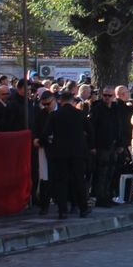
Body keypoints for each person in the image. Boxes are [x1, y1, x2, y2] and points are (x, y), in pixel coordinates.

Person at [41, 90, 92, 219]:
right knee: (79, 180)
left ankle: (62, 210)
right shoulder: (80, 114)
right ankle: (83, 208)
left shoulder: (55, 115)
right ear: (72, 101)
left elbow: (46, 133)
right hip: (78, 152)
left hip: (60, 152)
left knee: (61, 181)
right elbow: (90, 131)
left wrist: (47, 142)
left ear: (61, 101)